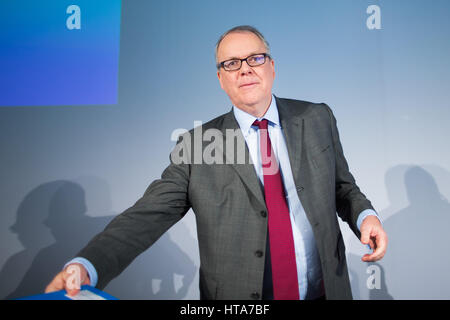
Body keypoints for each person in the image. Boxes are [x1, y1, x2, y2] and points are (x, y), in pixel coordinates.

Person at [46, 25, 387, 300]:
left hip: (325, 290)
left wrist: (364, 215)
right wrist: (87, 265)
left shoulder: (316, 117)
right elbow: (145, 217)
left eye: (255, 58)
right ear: (221, 79)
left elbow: (343, 187)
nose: (245, 70)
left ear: (271, 66)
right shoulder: (195, 145)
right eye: (231, 63)